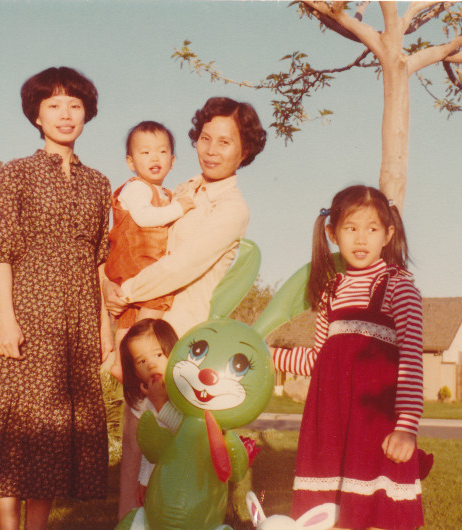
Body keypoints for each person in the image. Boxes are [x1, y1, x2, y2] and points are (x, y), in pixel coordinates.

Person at [0, 67, 112, 530]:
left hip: (78, 319)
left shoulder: (98, 183)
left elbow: (98, 260)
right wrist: (7, 320)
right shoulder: (16, 173)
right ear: (37, 116)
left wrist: (104, 325)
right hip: (28, 313)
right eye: (54, 105)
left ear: (87, 114)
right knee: (13, 427)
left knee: (52, 432)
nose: (66, 115)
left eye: (75, 105)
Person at [102, 96, 267, 519]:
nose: (212, 150)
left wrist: (127, 289)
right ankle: (127, 524)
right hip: (144, 323)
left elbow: (180, 265)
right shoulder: (181, 190)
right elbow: (136, 240)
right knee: (135, 439)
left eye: (225, 142)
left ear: (244, 150)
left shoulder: (232, 208)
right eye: (205, 138)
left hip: (182, 337)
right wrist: (109, 281)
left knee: (169, 449)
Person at [272, 185, 425, 530]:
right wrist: (271, 357)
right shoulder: (332, 291)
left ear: (387, 235)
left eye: (372, 229)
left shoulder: (399, 287)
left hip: (375, 422)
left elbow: (412, 361)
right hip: (332, 419)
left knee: (375, 511)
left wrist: (406, 427)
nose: (361, 239)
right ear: (332, 233)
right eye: (351, 228)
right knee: (333, 513)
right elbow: (319, 359)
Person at [103, 121, 194, 380]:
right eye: (145, 153)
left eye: (162, 152)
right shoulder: (137, 188)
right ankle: (141, 359)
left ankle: (121, 365)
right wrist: (180, 208)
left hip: (142, 263)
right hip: (138, 261)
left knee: (130, 319)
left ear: (173, 160)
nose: (154, 157)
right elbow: (143, 218)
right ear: (131, 162)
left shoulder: (164, 193)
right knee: (151, 315)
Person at [118, 318, 183, 507]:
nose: (151, 365)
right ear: (136, 372)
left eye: (158, 355)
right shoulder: (145, 401)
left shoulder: (184, 392)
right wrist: (144, 480)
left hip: (190, 473)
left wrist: (161, 403)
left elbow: (185, 431)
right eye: (142, 361)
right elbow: (151, 445)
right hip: (164, 478)